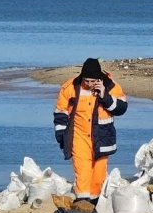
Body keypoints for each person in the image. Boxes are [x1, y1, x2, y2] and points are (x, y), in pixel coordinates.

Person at [54, 58, 128, 204]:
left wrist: (104, 96)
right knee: (82, 171)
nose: (89, 84)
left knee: (98, 174)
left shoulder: (112, 87)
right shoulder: (69, 87)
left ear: (99, 79)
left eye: (93, 81)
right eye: (86, 81)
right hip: (79, 137)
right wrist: (61, 137)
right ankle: (82, 202)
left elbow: (121, 109)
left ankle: (94, 204)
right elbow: (61, 113)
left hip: (102, 138)